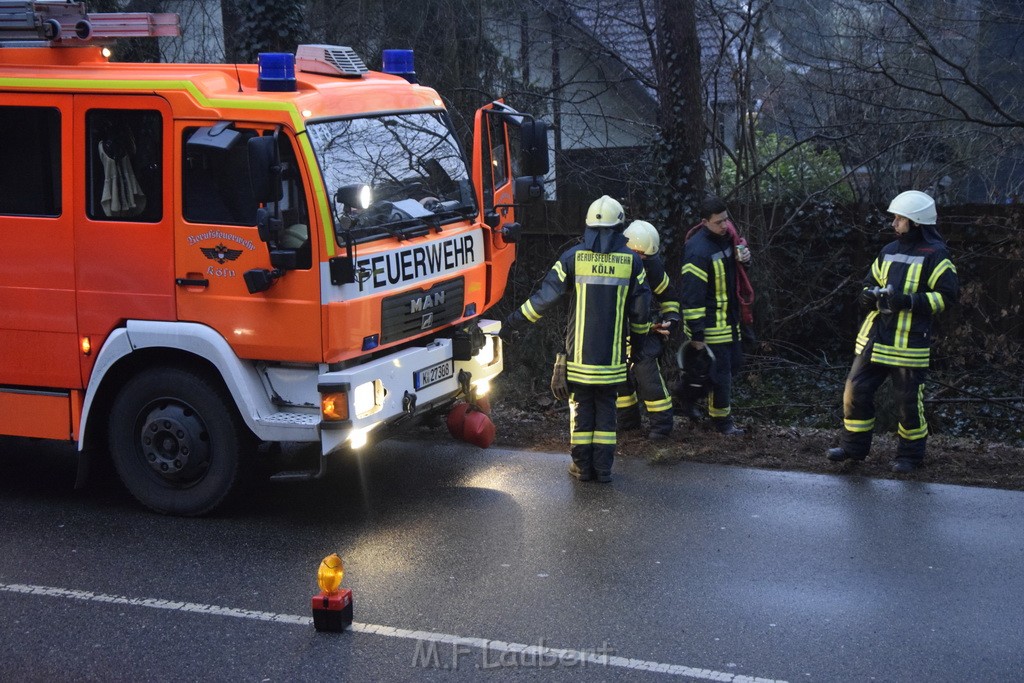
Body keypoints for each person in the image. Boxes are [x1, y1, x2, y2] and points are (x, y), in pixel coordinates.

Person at [504, 195, 652, 482]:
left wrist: (512, 323)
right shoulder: (633, 262)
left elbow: (543, 300)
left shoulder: (572, 258)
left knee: (582, 410)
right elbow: (641, 312)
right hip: (612, 361)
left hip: (579, 359)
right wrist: (640, 346)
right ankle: (604, 469)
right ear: (620, 227)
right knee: (607, 413)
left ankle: (582, 467)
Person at [827, 190, 959, 473]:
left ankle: (909, 457)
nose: (894, 224)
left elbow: (947, 298)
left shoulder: (936, 255)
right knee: (855, 391)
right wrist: (866, 296)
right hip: (875, 339)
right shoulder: (888, 251)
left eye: (899, 219)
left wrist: (908, 301)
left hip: (909, 345)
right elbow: (868, 282)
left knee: (908, 404)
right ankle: (853, 449)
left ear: (916, 222)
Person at [678, 196, 751, 436]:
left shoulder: (727, 239)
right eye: (719, 222)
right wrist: (698, 334)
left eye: (726, 219)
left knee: (725, 369)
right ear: (704, 222)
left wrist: (745, 260)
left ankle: (685, 400)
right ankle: (723, 423)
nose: (725, 225)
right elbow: (692, 296)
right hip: (711, 325)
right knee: (721, 374)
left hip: (729, 321)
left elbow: (735, 276)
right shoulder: (698, 251)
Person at [616, 220, 680, 440]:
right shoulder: (615, 265)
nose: (642, 261)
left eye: (646, 257)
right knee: (618, 380)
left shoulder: (652, 266)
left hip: (645, 333)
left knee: (648, 376)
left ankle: (661, 427)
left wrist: (670, 319)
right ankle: (627, 422)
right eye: (639, 255)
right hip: (617, 334)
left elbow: (668, 296)